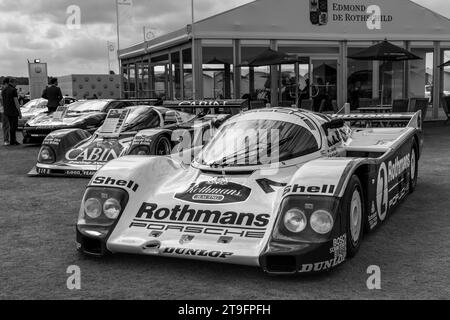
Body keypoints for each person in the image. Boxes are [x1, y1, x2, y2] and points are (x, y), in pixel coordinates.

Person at [1, 78, 22, 146]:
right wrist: (19, 112)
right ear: (13, 82)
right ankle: (13, 140)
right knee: (14, 126)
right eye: (16, 83)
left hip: (6, 111)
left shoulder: (3, 90)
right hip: (13, 111)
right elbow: (16, 102)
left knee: (7, 127)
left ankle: (9, 140)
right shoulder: (13, 90)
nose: (16, 85)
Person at [0, 79, 11, 145]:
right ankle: (6, 140)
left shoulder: (2, 91)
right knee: (6, 126)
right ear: (6, 84)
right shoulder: (2, 92)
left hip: (3, 110)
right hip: (3, 110)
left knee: (5, 126)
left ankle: (6, 140)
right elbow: (2, 102)